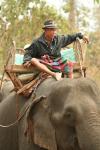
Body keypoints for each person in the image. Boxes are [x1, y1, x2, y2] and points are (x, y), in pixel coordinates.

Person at [23, 20, 89, 80]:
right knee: (33, 60)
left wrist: (82, 36)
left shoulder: (59, 39)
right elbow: (28, 53)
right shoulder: (37, 42)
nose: (54, 32)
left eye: (55, 30)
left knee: (69, 64)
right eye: (52, 30)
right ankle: (53, 74)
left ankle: (71, 82)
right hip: (45, 63)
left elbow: (71, 37)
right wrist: (27, 61)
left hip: (58, 61)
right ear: (46, 30)